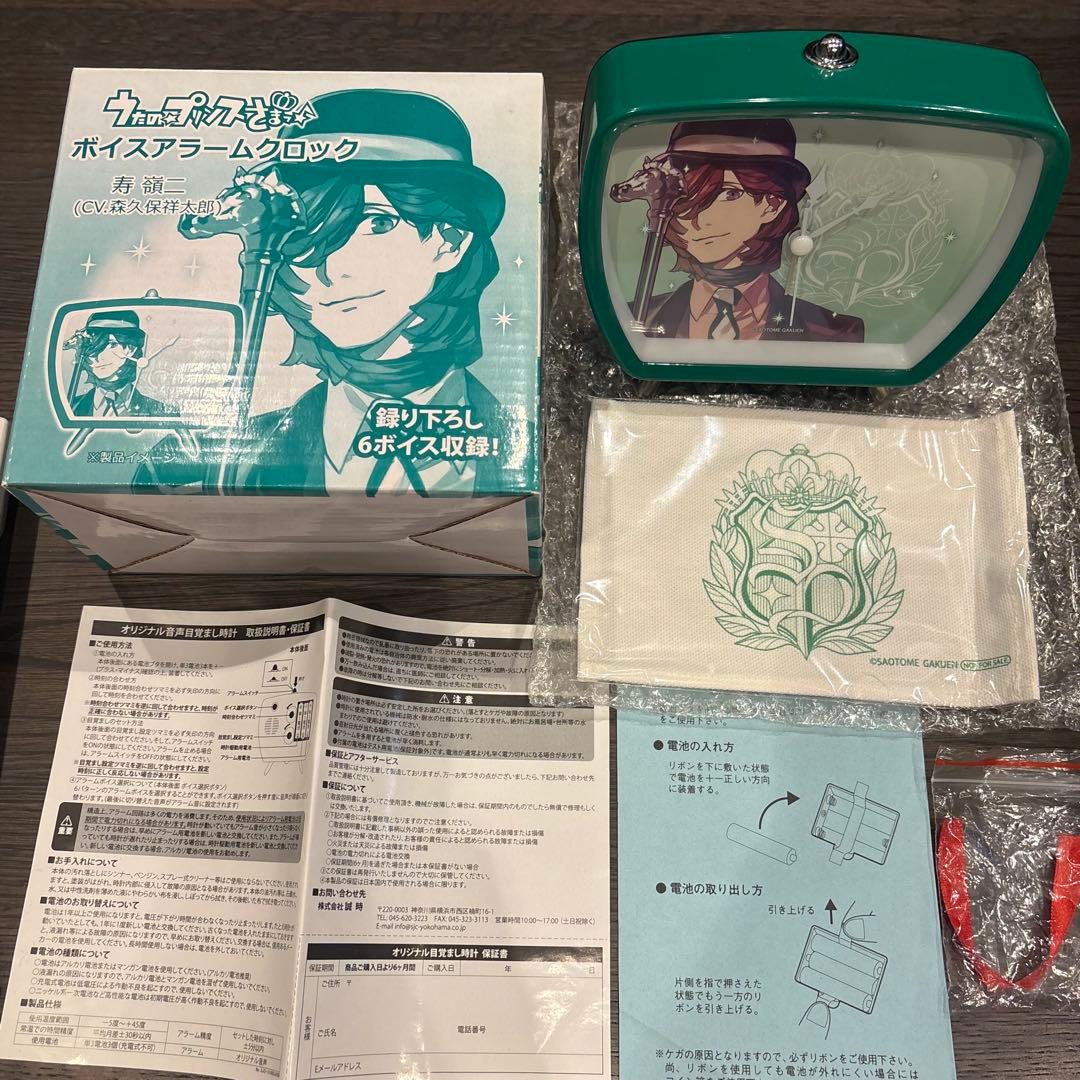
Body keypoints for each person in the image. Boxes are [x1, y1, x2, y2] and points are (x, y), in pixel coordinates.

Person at [138, 88, 507, 495]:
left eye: (376, 224)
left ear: (449, 241)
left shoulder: (533, 453)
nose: (329, 271)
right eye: (303, 237)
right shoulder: (181, 468)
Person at [629, 119, 864, 343]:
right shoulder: (633, 319)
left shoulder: (835, 334)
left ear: (772, 204)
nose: (700, 219)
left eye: (730, 194)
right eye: (686, 196)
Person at [65, 310, 177, 418]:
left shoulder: (163, 413)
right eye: (92, 347)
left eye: (112, 344)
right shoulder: (71, 407)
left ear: (131, 348)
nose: (99, 357)